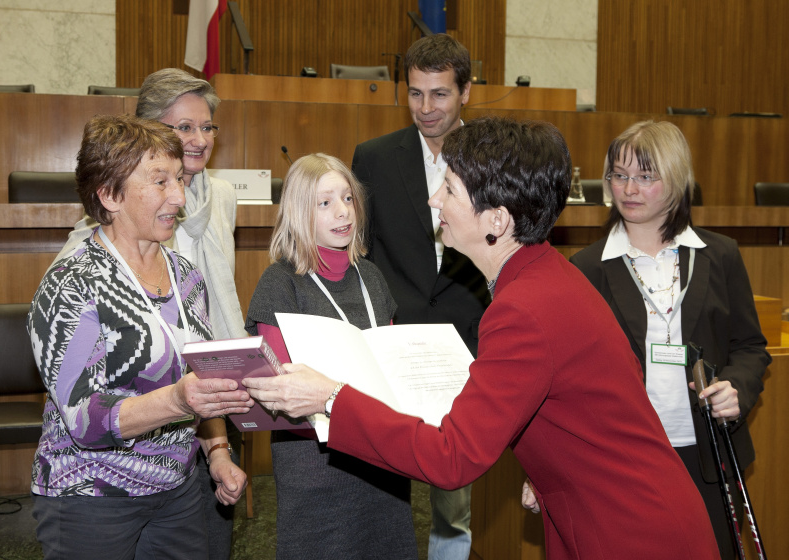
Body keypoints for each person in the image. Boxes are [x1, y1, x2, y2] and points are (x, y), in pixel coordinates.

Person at [244, 116, 722, 560]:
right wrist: (552, 463)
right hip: (623, 514)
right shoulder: (546, 276)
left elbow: (452, 458)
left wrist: (332, 397)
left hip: (631, 534)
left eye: (448, 189)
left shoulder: (522, 308)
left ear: (496, 219)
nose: (434, 202)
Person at [27, 114, 253, 560]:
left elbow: (200, 380)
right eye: (160, 182)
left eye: (179, 180)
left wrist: (218, 453)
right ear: (110, 195)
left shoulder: (186, 277)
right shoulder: (71, 284)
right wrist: (179, 401)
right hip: (90, 496)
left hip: (178, 491)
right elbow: (86, 421)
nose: (179, 195)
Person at [569, 120, 770, 559]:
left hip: (708, 452)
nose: (629, 188)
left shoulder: (720, 255)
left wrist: (737, 387)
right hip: (622, 457)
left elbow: (751, 347)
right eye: (619, 175)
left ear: (677, 181)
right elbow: (571, 377)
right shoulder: (586, 267)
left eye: (645, 176)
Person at [351, 33, 489, 560]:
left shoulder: (492, 157)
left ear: (467, 92)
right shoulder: (375, 158)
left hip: (469, 340)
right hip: (394, 340)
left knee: (454, 493)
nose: (426, 108)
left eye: (440, 95)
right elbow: (360, 251)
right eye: (415, 94)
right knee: (385, 482)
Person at [244, 154, 418, 560]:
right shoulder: (281, 283)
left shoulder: (371, 276)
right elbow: (281, 393)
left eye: (347, 198)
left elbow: (388, 365)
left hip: (381, 458)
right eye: (325, 203)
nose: (343, 212)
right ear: (298, 212)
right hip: (317, 468)